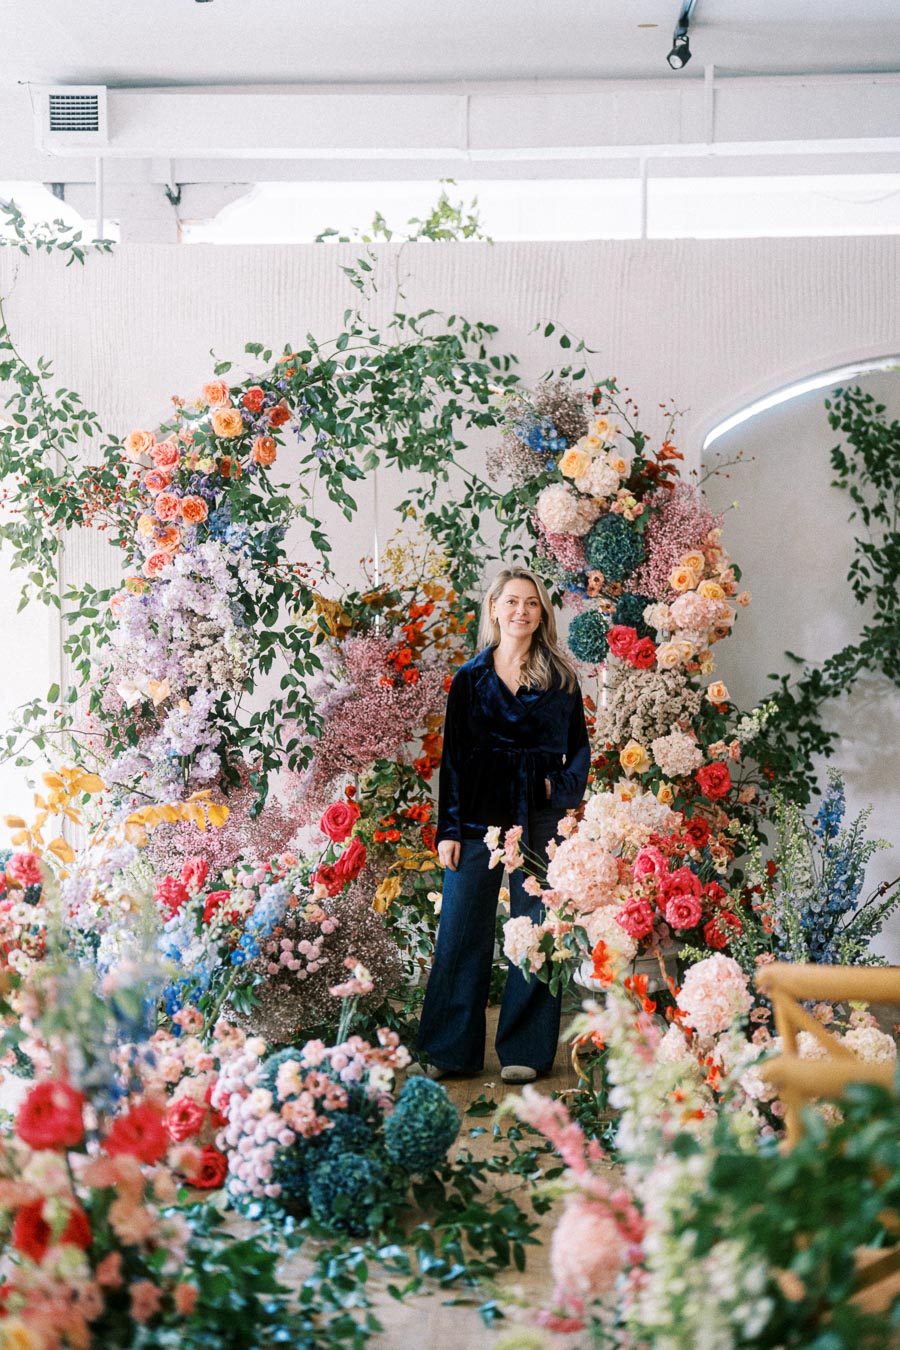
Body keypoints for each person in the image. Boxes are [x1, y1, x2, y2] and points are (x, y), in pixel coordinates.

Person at [416, 564, 590, 1084]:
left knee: (537, 930)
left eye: (532, 603)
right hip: (477, 816)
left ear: (542, 614)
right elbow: (453, 760)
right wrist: (449, 830)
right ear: (494, 608)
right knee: (461, 929)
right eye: (512, 601)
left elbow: (579, 754)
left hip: (540, 818)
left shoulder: (561, 679)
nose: (522, 611)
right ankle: (449, 1050)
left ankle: (527, 1050)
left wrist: (552, 790)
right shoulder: (469, 679)